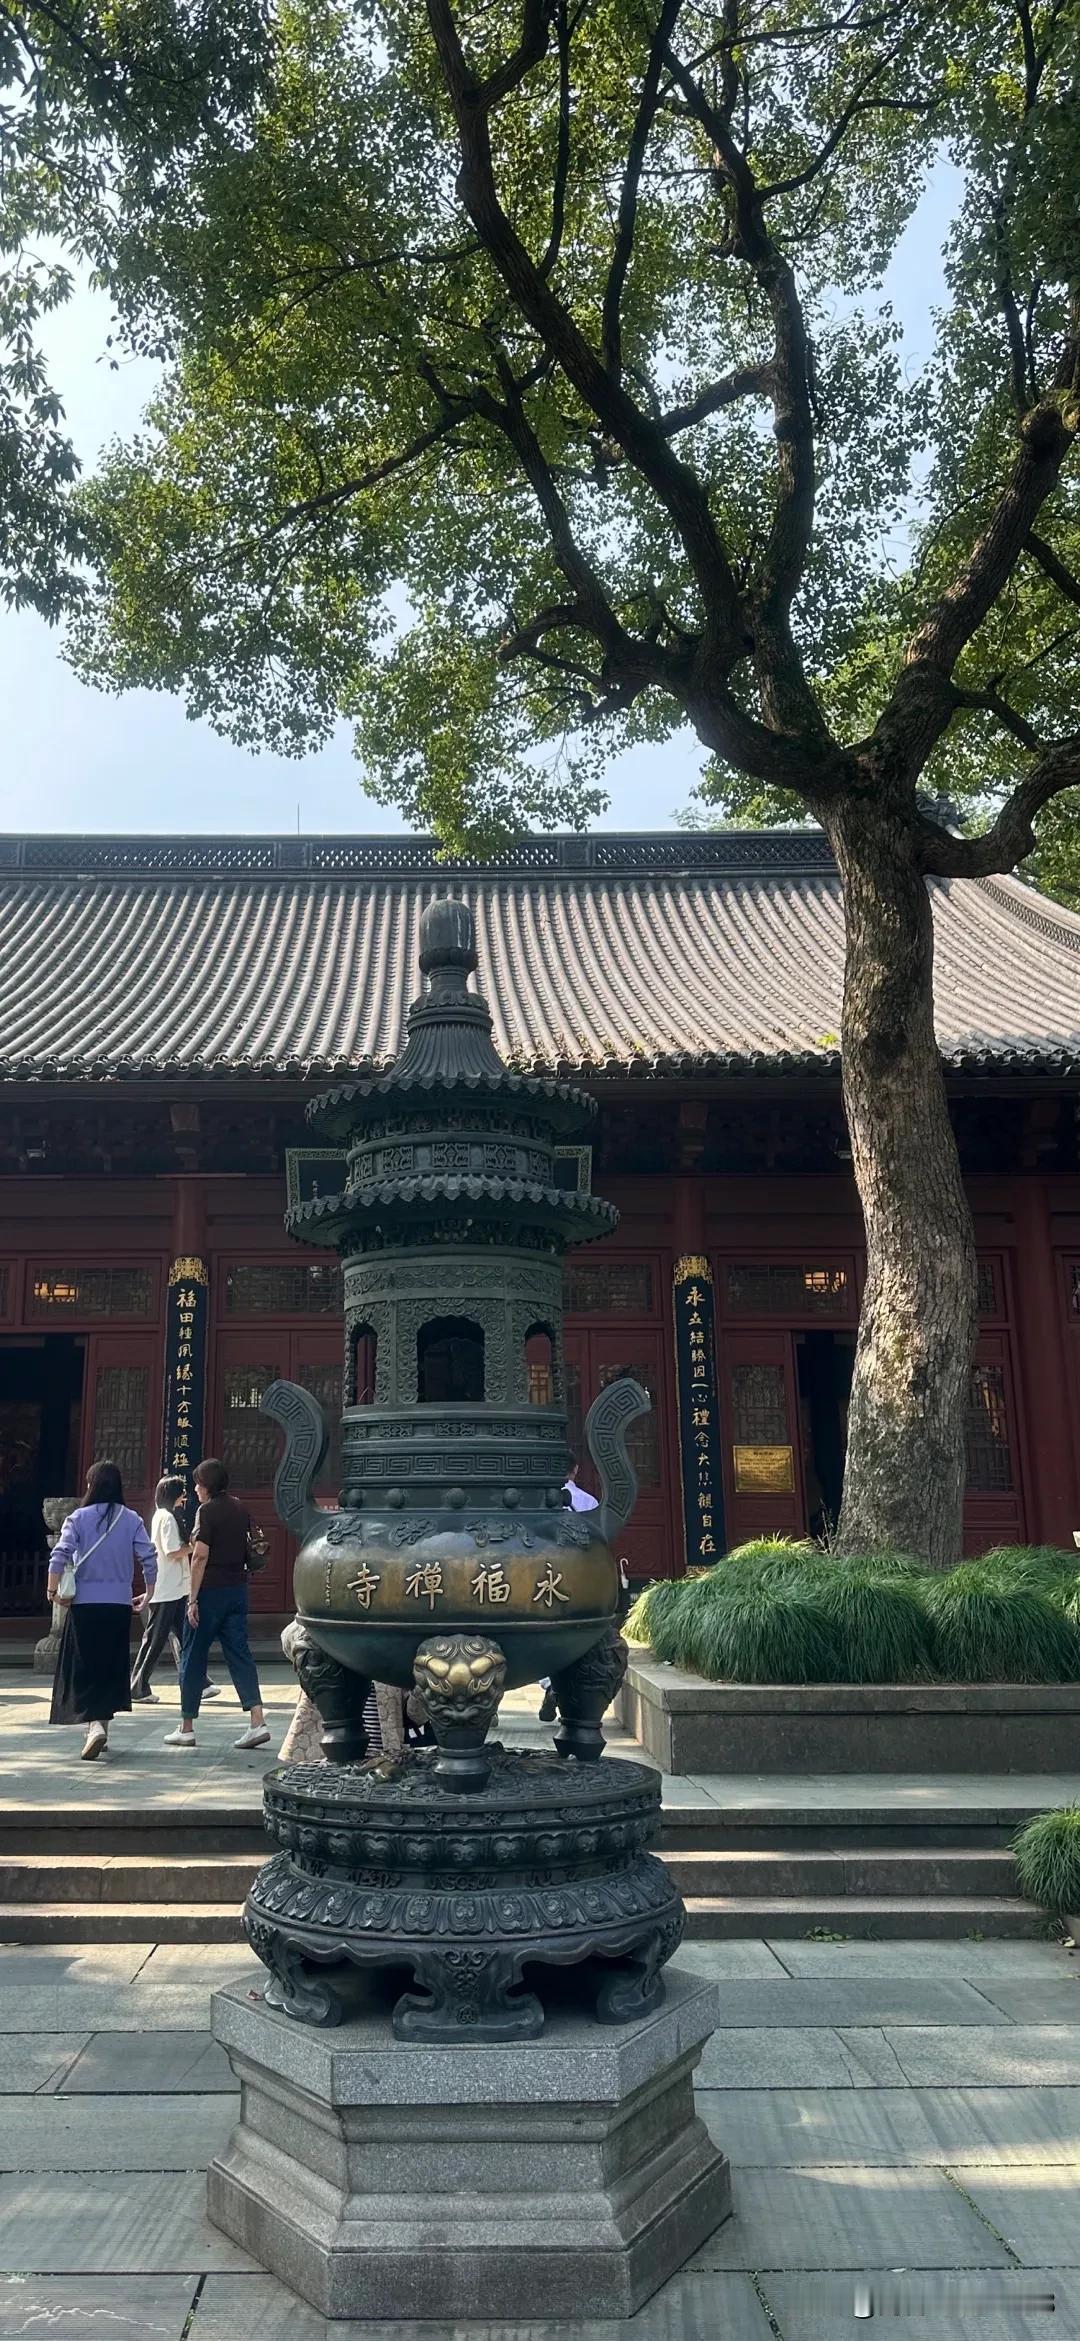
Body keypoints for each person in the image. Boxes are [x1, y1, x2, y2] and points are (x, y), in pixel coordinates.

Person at [47, 1459, 157, 1761]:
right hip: (119, 1604)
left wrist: (51, 1589)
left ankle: (94, 1725)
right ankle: (102, 1727)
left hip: (85, 1604)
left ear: (91, 1485)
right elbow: (149, 1557)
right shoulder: (131, 1518)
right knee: (110, 1664)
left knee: (86, 1665)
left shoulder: (78, 1518)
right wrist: (149, 1593)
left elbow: (60, 1555)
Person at [163, 1458, 270, 1753]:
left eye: (198, 1482)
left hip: (210, 1592)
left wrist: (193, 1599)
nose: (195, 1488)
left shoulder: (206, 1512)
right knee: (240, 1654)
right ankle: (257, 1720)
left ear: (207, 1485)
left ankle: (186, 1726)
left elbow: (199, 1557)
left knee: (193, 1655)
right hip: (238, 1590)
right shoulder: (239, 1506)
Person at [538, 1464, 599, 1723]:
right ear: (576, 1469)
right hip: (579, 1576)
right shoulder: (588, 1500)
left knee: (544, 1629)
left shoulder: (537, 1500)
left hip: (545, 1576)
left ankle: (550, 1683)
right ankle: (566, 1692)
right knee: (574, 1631)